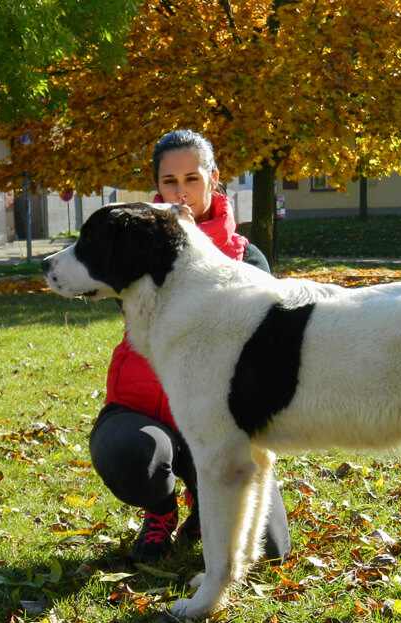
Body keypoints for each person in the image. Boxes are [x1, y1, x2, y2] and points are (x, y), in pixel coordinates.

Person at [88, 129, 291, 562]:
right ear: (156, 185)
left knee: (272, 549)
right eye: (169, 181)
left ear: (214, 179)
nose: (180, 193)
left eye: (192, 179)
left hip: (221, 420)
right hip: (142, 409)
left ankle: (205, 498)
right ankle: (160, 509)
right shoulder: (134, 250)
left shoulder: (247, 257)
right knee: (128, 454)